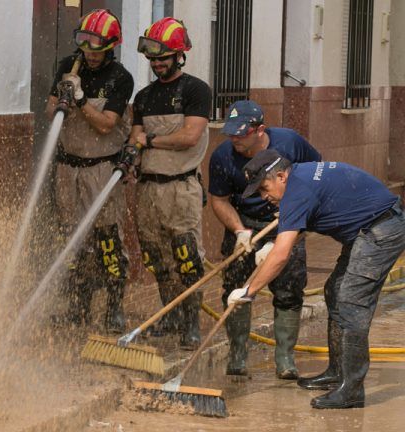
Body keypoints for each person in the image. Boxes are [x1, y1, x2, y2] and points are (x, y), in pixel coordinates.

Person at [228, 149, 405, 409]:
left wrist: (248, 291)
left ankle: (352, 390)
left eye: (264, 189)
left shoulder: (296, 192)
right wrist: (275, 244)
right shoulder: (300, 179)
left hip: (381, 230)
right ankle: (338, 372)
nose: (265, 197)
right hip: (366, 229)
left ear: (280, 176)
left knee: (351, 303)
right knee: (334, 291)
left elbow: (281, 256)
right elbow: (301, 224)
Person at [208, 100, 322, 378]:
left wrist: (293, 213)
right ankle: (237, 357)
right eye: (231, 132)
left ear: (260, 130)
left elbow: (315, 175)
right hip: (244, 225)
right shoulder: (223, 156)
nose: (234, 138)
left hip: (286, 223)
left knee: (288, 290)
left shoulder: (290, 143)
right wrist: (239, 230)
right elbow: (218, 199)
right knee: (235, 290)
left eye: (241, 133)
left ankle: (285, 359)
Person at [120, 17, 212, 349]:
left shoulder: (195, 90)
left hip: (181, 187)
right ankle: (170, 316)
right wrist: (130, 155)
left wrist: (150, 140)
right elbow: (135, 137)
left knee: (186, 255)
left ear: (179, 56)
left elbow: (189, 137)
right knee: (157, 257)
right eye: (153, 60)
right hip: (147, 189)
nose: (158, 64)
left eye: (164, 59)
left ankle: (191, 323)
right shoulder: (144, 97)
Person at [45, 9, 134, 332]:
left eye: (97, 49)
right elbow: (49, 109)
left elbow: (107, 125)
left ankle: (113, 308)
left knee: (107, 237)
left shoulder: (120, 78)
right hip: (68, 167)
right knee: (71, 239)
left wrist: (81, 99)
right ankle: (77, 306)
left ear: (110, 48)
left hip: (101, 167)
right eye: (85, 47)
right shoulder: (68, 66)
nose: (90, 55)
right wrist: (62, 98)